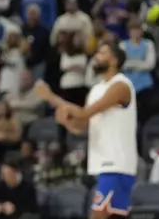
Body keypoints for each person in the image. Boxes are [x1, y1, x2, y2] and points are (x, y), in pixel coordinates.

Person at [35, 41, 137, 219]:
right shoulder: (96, 89)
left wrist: (51, 97)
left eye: (102, 53)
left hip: (116, 163)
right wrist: (66, 123)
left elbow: (83, 113)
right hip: (104, 164)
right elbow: (81, 127)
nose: (96, 56)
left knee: (97, 216)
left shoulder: (121, 85)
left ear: (114, 61)